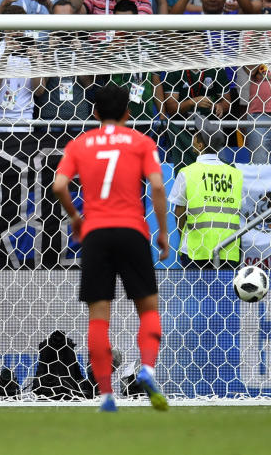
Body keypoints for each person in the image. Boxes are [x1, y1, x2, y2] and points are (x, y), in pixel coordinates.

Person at [51, 83, 170, 413]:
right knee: (147, 309)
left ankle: (105, 395)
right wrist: (161, 233)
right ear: (128, 113)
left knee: (99, 317)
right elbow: (158, 186)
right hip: (132, 231)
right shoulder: (142, 142)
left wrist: (76, 217)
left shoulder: (80, 144)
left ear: (94, 112)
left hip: (96, 234)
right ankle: (146, 369)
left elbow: (59, 185)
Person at [169, 123, 242, 269]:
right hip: (228, 249)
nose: (192, 139)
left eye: (195, 136)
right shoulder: (235, 174)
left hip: (195, 249)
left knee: (195, 292)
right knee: (225, 292)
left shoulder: (187, 172)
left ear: (200, 145)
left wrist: (184, 233)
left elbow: (179, 213)